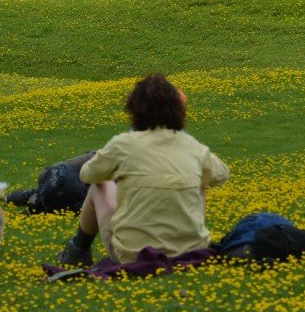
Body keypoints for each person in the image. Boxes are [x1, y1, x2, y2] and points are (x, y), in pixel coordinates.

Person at [56, 73, 230, 266]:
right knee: (202, 179)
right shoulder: (192, 146)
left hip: (132, 254)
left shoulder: (124, 145)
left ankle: (77, 250)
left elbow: (86, 174)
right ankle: (185, 237)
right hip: (192, 250)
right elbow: (221, 174)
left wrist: (118, 174)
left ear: (134, 110)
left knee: (100, 185)